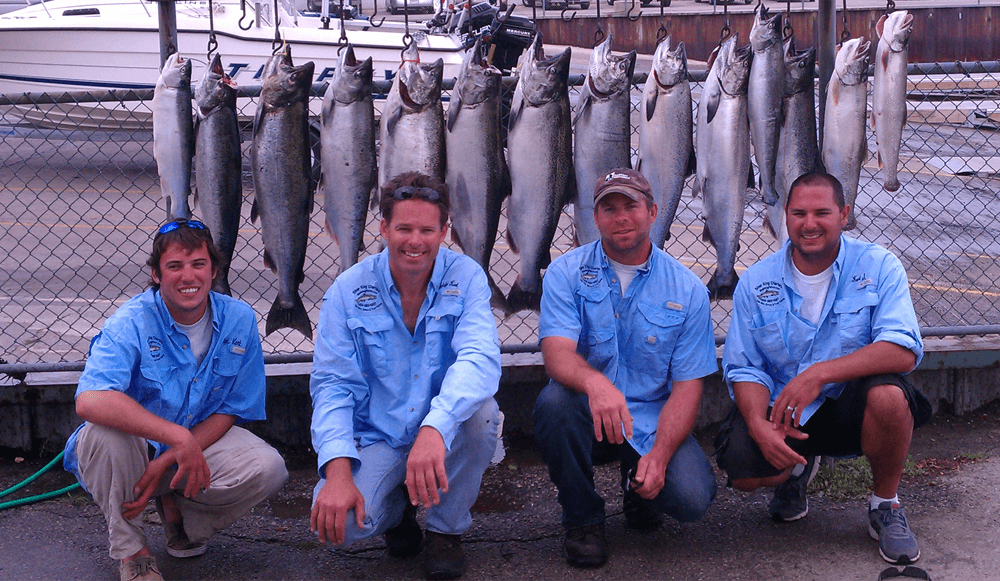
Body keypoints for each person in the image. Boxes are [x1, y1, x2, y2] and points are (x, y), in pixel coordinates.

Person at [717, 172, 931, 565]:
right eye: (798, 213)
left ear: (844, 214)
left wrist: (818, 374)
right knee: (744, 470)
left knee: (888, 395)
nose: (809, 223)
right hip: (786, 411)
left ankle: (885, 505)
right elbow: (745, 367)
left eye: (822, 212)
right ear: (785, 215)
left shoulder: (879, 265)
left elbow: (902, 348)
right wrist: (758, 424)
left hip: (851, 406)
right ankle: (797, 472)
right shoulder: (757, 281)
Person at [63, 219, 289, 581]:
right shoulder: (131, 321)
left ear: (214, 270)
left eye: (198, 264)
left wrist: (171, 455)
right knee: (106, 437)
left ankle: (180, 516)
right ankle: (133, 554)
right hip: (131, 452)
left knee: (268, 468)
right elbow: (90, 400)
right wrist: (176, 438)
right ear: (156, 274)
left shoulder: (239, 319)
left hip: (184, 450)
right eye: (175, 266)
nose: (188, 276)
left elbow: (232, 408)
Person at [309, 172, 502, 581]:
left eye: (427, 230)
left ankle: (445, 531)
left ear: (444, 231)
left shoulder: (466, 277)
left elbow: (479, 357)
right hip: (379, 435)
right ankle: (397, 512)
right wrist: (339, 473)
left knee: (484, 414)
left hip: (443, 429)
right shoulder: (347, 290)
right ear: (383, 228)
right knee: (339, 526)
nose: (415, 241)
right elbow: (332, 386)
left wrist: (436, 425)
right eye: (403, 228)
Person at [532, 168, 718, 569]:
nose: (620, 217)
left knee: (691, 499)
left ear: (652, 212)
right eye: (608, 208)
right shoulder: (565, 273)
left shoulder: (688, 289)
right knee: (553, 404)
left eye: (630, 206)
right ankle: (582, 520)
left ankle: (640, 482)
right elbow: (557, 354)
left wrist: (662, 454)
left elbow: (688, 387)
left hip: (651, 421)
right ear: (594, 218)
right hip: (589, 414)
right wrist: (596, 384)